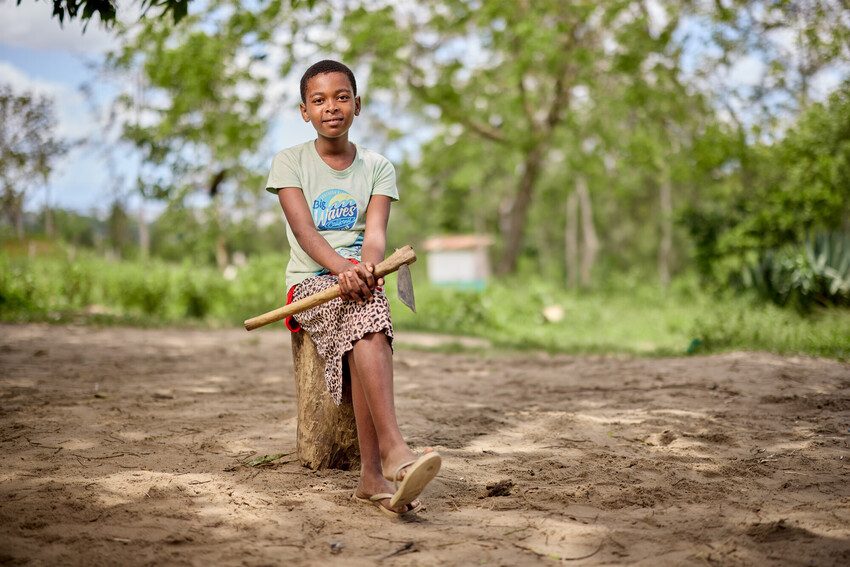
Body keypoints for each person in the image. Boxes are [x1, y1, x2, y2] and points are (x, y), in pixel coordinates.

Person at [265, 60, 441, 518]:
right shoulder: (289, 162)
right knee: (368, 314)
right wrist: (341, 269)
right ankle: (391, 452)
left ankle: (373, 476)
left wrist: (365, 268)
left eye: (341, 97)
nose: (332, 108)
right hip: (311, 287)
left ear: (357, 105)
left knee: (368, 310)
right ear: (304, 111)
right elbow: (306, 233)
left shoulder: (378, 167)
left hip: (359, 281)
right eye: (319, 100)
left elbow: (376, 233)